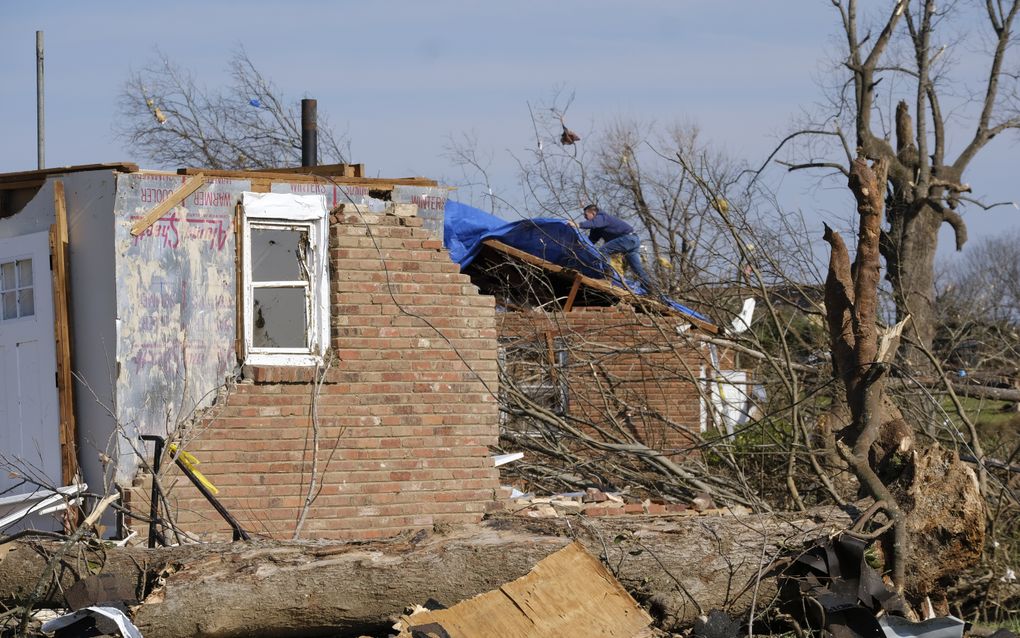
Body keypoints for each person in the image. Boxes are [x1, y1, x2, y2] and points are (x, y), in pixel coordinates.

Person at [569, 205, 654, 291]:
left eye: (586, 215)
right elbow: (591, 241)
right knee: (637, 268)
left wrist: (577, 225)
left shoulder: (602, 217)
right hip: (633, 241)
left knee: (603, 250)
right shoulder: (597, 228)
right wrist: (577, 247)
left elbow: (594, 223)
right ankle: (649, 289)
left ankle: (608, 277)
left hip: (628, 239)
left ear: (593, 213)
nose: (585, 218)